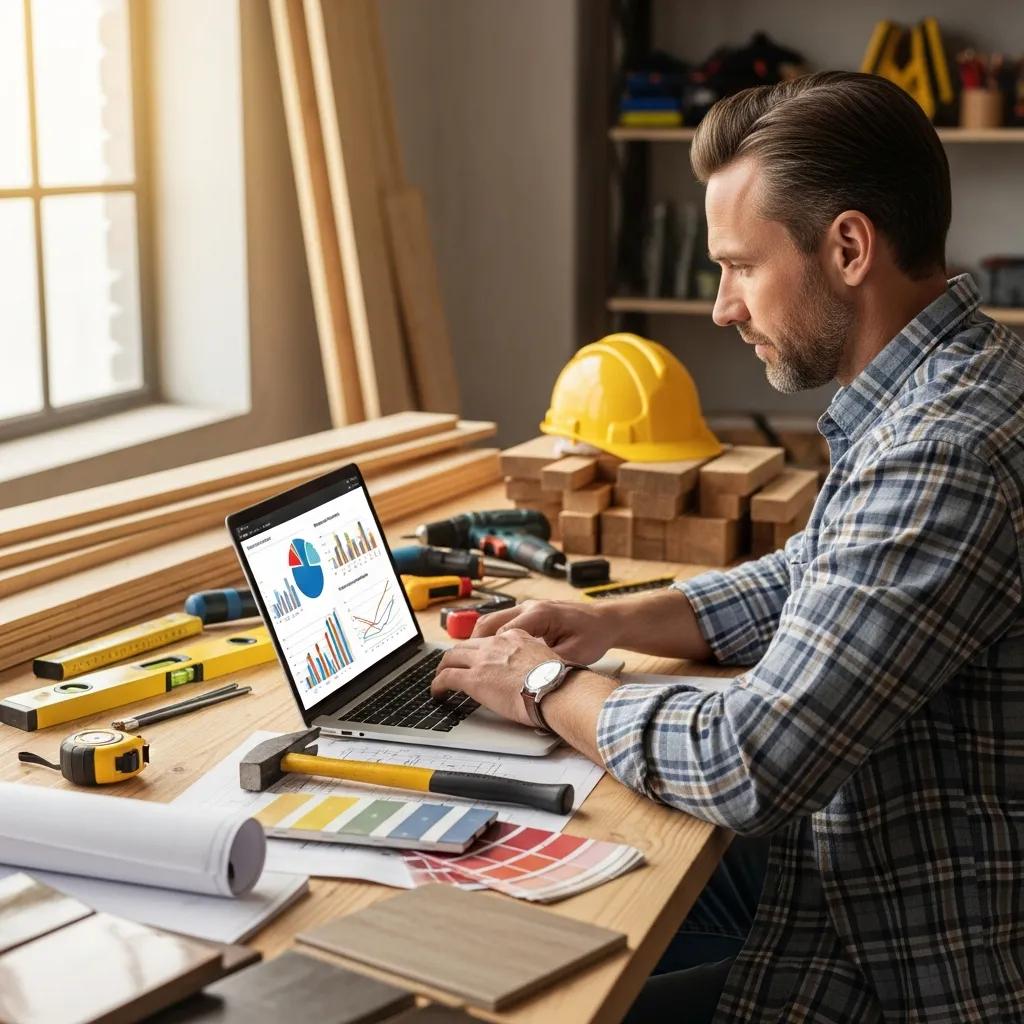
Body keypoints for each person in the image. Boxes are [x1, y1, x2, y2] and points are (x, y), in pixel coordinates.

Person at [431, 70, 1024, 1023]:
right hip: (867, 868)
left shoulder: (941, 452)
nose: (722, 307)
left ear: (848, 248)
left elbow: (748, 762)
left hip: (907, 960)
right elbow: (822, 572)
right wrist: (614, 623)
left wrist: (542, 686)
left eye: (741, 266)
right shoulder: (961, 377)